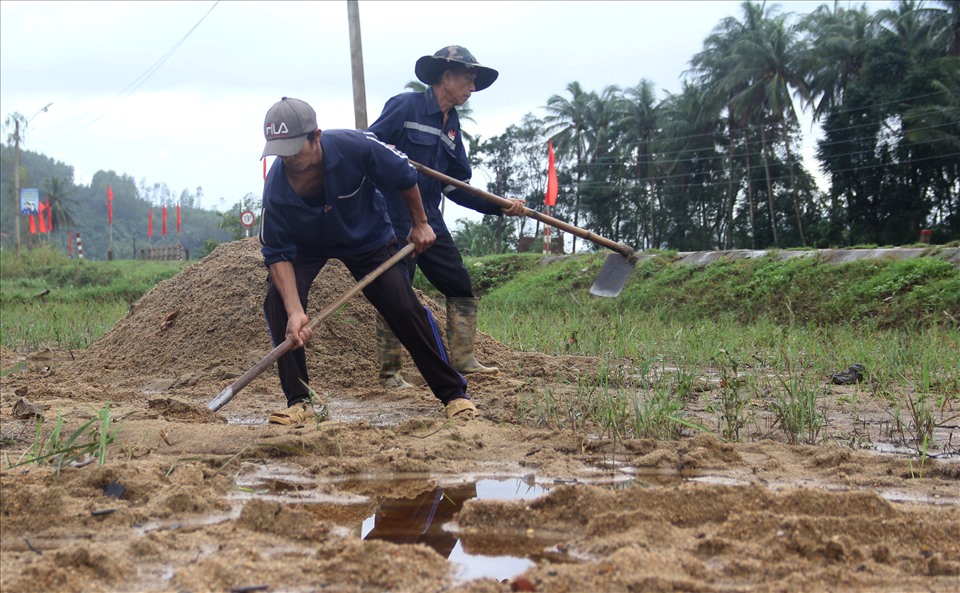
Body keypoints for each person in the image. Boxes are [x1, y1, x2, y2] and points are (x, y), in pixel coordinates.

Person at [258, 96, 477, 424]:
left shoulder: (356, 146)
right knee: (277, 301)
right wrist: (295, 311)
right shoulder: (276, 188)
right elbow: (277, 254)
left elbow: (405, 175)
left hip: (366, 238)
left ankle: (453, 394)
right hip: (307, 246)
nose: (288, 159)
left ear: (315, 136)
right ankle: (299, 401)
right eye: (280, 152)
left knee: (403, 306)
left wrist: (420, 223)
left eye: (294, 149)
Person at [367, 45, 526, 390]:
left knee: (459, 284)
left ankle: (464, 358)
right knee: (397, 290)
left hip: (430, 217)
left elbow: (456, 186)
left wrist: (499, 205)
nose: (472, 86)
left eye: (474, 80)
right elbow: (368, 144)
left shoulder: (451, 125)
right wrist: (394, 158)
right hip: (394, 216)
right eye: (468, 78)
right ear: (446, 76)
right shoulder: (405, 106)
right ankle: (390, 373)